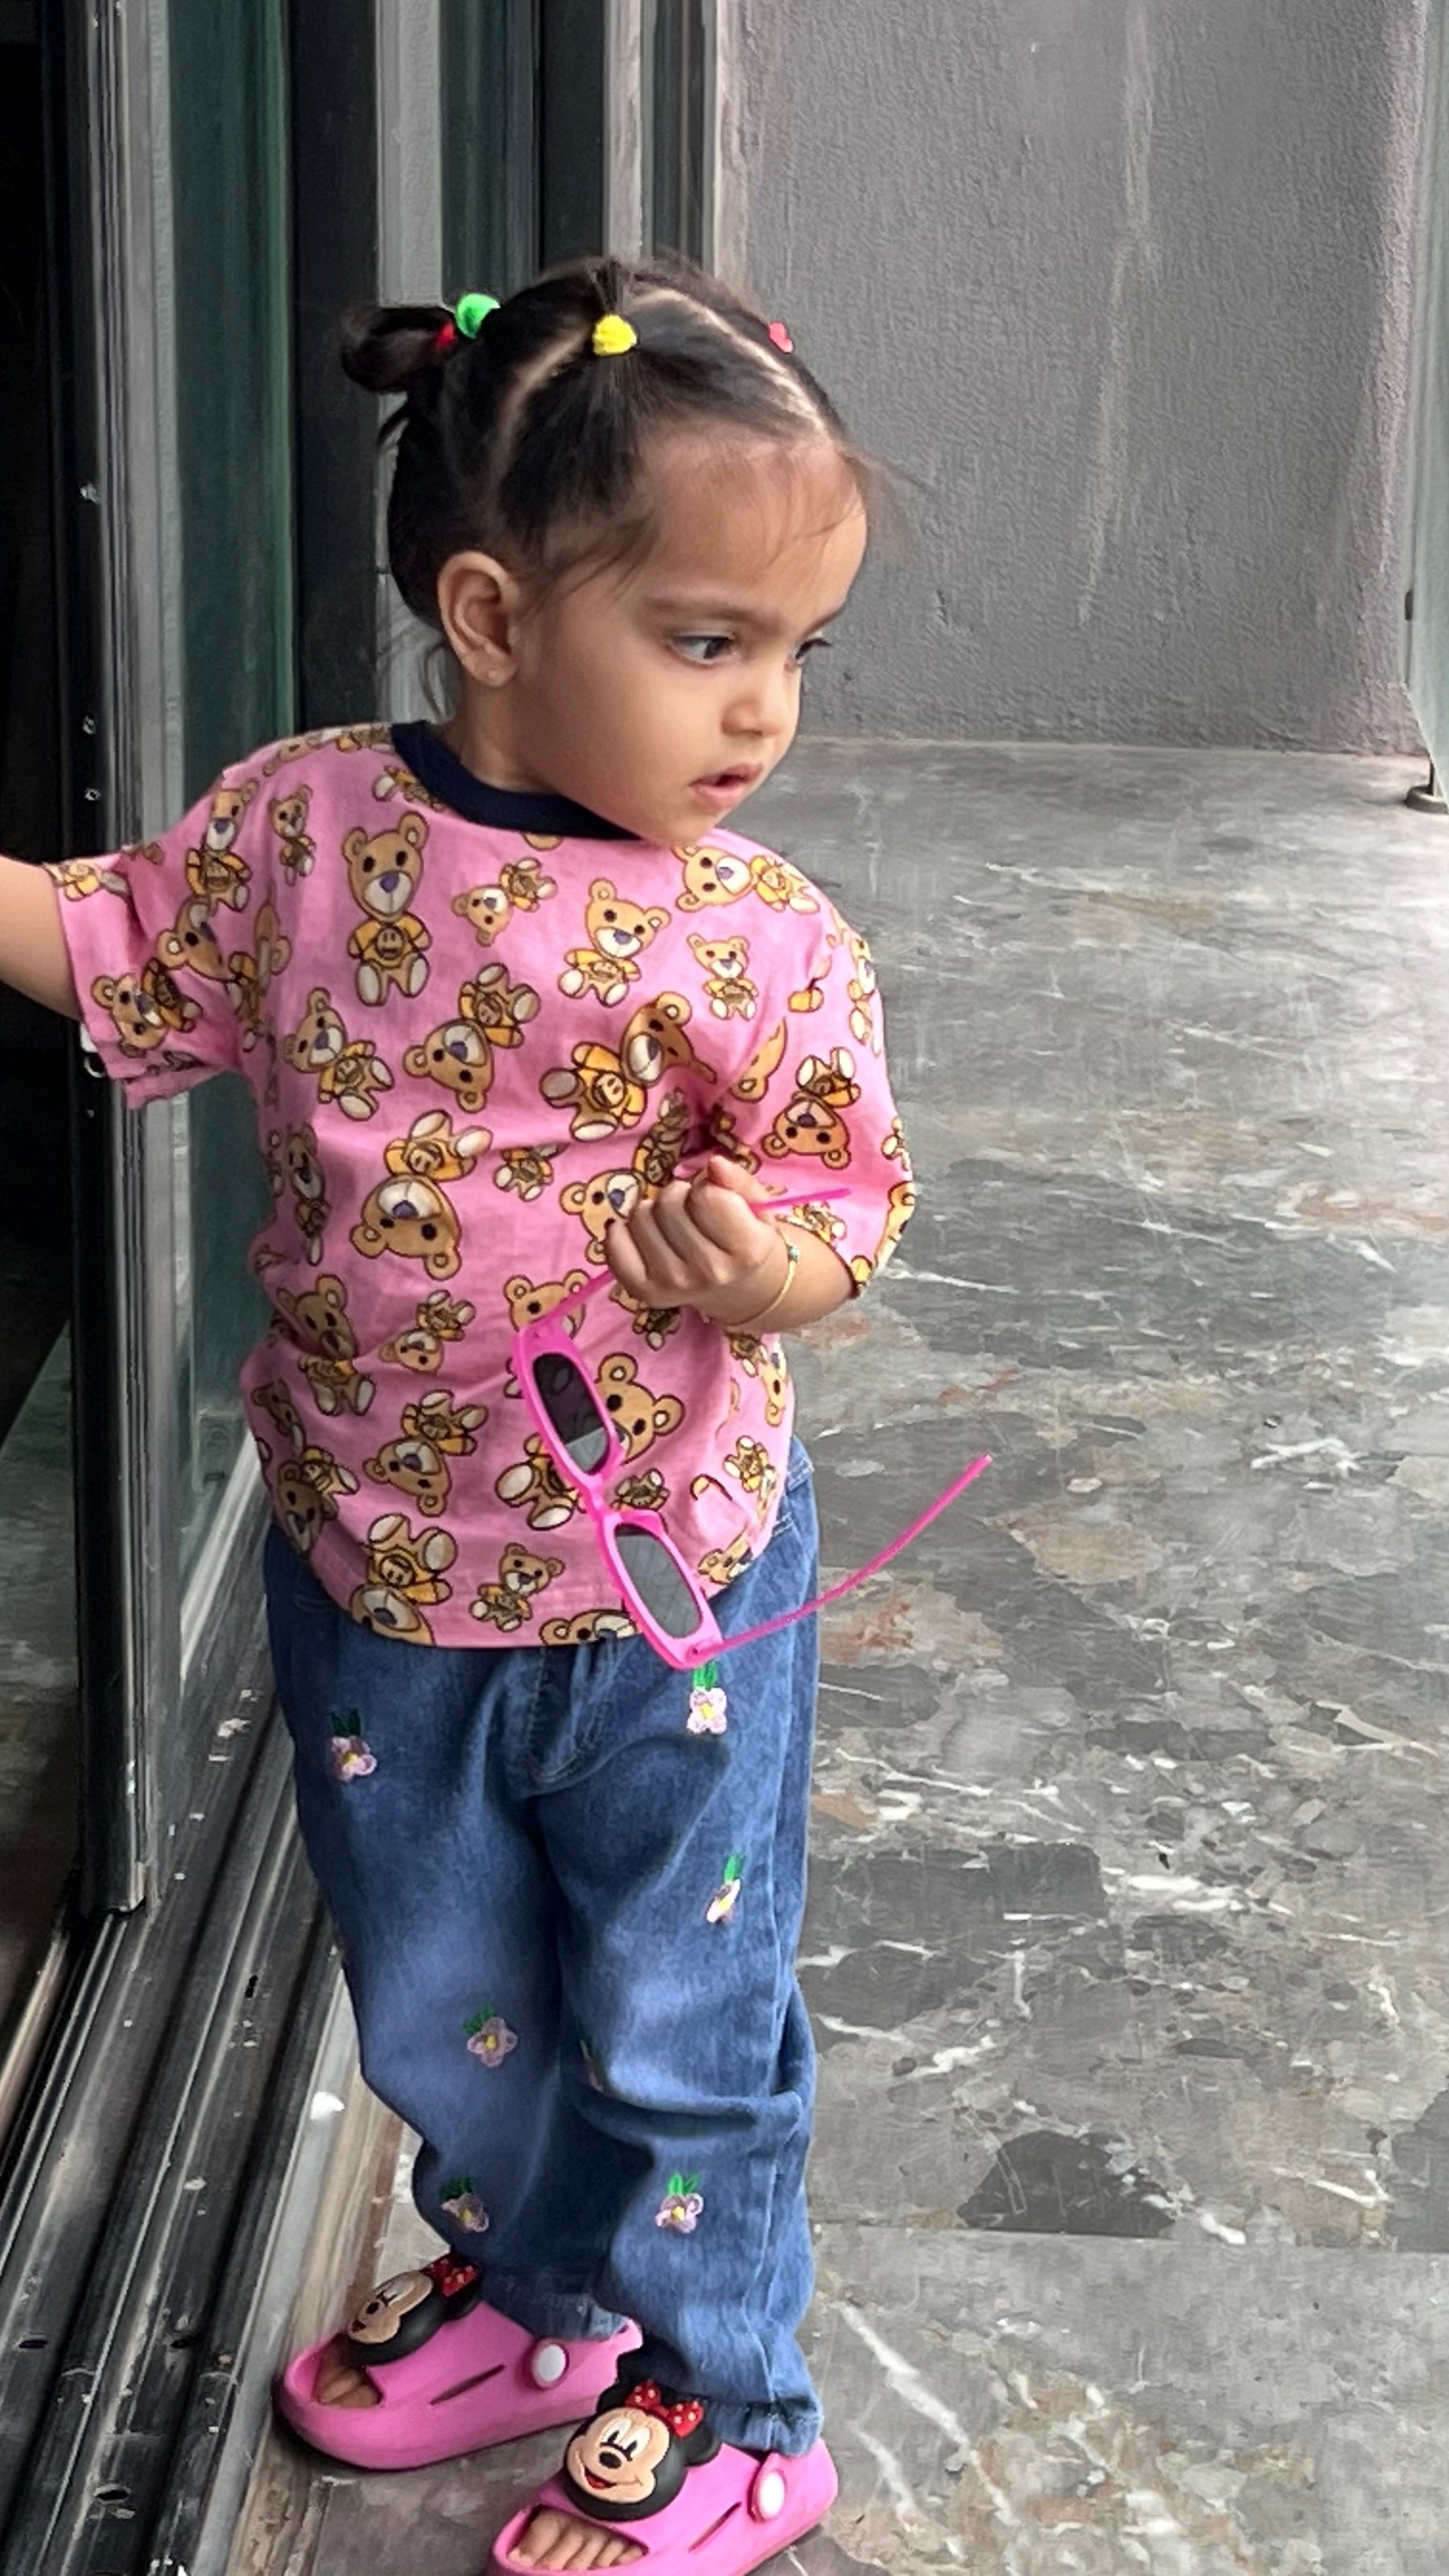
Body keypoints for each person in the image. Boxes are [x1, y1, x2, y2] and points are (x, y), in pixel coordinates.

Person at [0, 251, 914, 2575]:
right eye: (706, 640)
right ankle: (538, 2298)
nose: (765, 711)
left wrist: (765, 1269)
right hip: (380, 1565)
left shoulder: (756, 935)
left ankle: (739, 2399)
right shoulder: (309, 834)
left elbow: (846, 1202)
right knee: (446, 2003)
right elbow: (118, 943)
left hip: (665, 1586)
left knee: (680, 2012)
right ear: (495, 615)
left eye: (800, 650)